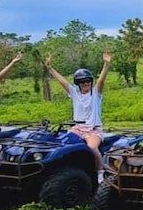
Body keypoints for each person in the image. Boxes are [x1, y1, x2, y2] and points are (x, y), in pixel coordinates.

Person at [45, 51, 112, 182]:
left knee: (92, 148)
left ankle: (100, 173)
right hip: (77, 128)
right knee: (61, 143)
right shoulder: (75, 93)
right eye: (82, 82)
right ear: (78, 83)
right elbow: (62, 82)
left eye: (87, 81)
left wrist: (106, 65)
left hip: (93, 129)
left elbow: (101, 80)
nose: (85, 84)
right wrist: (50, 68)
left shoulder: (95, 94)